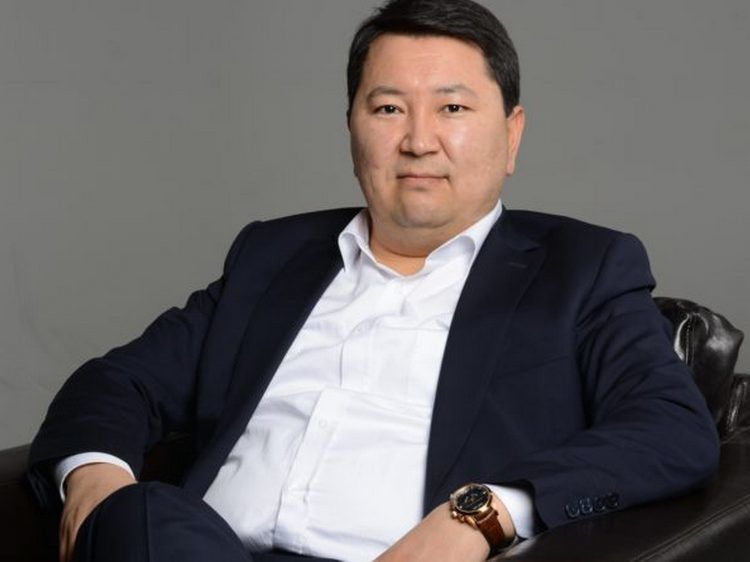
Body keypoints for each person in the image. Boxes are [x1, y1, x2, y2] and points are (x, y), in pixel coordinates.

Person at [27, 0, 720, 561]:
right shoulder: (273, 258)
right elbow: (119, 382)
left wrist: (480, 514)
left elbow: (671, 430)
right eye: (388, 108)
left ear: (512, 134)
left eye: (452, 109)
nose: (418, 140)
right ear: (352, 128)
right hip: (203, 550)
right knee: (143, 512)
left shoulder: (582, 269)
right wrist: (95, 478)